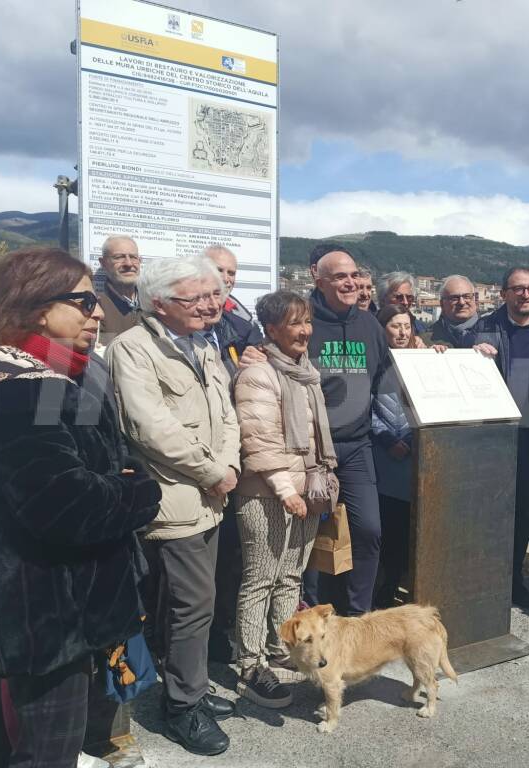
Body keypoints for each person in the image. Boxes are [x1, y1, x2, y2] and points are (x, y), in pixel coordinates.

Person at [0, 247, 162, 768]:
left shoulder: (67, 371)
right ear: (38, 308)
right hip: (42, 606)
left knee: (65, 734)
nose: (99, 312)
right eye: (84, 302)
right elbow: (65, 502)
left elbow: (99, 455)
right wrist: (141, 493)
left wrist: (117, 481)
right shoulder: (19, 389)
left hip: (75, 593)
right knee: (48, 749)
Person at [107, 257, 241, 756]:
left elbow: (226, 414)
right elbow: (149, 428)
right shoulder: (133, 349)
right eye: (196, 298)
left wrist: (227, 465)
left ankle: (190, 687)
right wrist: (213, 472)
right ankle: (183, 707)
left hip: (212, 492)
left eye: (213, 295)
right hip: (176, 496)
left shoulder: (203, 342)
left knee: (191, 603)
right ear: (159, 303)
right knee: (192, 605)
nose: (211, 305)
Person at [232, 290, 337, 709]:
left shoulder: (304, 371)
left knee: (291, 576)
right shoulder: (258, 373)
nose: (304, 330)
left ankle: (281, 648)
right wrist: (285, 490)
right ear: (271, 329)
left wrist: (311, 486)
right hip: (268, 493)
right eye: (295, 323)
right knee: (260, 578)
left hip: (306, 488)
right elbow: (257, 438)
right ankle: (250, 662)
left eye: (307, 321)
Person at [305, 246, 392, 615]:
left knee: (369, 531)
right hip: (310, 447)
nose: (351, 282)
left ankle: (359, 615)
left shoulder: (369, 324)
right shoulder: (303, 319)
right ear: (318, 278)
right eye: (341, 276)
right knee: (307, 536)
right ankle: (307, 612)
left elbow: (387, 378)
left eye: (355, 275)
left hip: (357, 447)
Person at [470, 267, 529, 608]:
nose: (526, 295)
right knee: (488, 509)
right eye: (518, 289)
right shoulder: (485, 328)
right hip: (493, 436)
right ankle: (484, 575)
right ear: (504, 292)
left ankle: (512, 577)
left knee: (523, 511)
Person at [202, 247, 264, 663]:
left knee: (231, 554)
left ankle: (221, 631)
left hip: (235, 452)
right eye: (217, 270)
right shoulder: (153, 334)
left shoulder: (241, 327)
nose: (225, 278)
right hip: (196, 462)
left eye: (231, 272)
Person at [371, 305, 433, 608]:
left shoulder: (423, 361)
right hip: (385, 455)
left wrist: (411, 437)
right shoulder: (374, 362)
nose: (402, 332)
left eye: (407, 326)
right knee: (388, 526)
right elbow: (364, 408)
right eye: (395, 326)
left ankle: (406, 584)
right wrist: (386, 439)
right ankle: (385, 585)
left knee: (410, 528)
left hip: (415, 453)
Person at [96, 235, 142, 341]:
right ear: (103, 263)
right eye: (119, 257)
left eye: (133, 257)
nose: (128, 263)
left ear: (139, 261)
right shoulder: (96, 308)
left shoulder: (153, 305)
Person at [427, 274, 480, 347]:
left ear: (475, 300)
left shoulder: (493, 331)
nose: (462, 302)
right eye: (454, 298)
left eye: (467, 296)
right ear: (442, 304)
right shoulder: (428, 339)